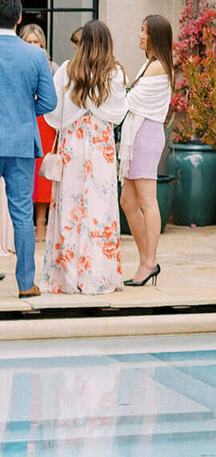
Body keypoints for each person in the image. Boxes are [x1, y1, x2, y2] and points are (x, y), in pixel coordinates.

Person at [41, 19, 128, 295]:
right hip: (100, 146)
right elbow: (118, 112)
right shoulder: (113, 73)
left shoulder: (68, 69)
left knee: (70, 206)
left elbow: (52, 111)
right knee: (99, 208)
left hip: (72, 145)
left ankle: (66, 275)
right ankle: (98, 274)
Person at [0, 0, 57, 298]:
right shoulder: (35, 55)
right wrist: (23, 111)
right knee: (22, 214)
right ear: (19, 18)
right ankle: (25, 285)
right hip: (21, 142)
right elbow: (48, 102)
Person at [119, 14, 174, 287]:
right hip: (137, 134)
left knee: (146, 201)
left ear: (156, 36)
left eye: (144, 31)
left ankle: (149, 262)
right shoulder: (149, 64)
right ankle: (145, 260)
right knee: (128, 202)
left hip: (145, 135)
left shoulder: (158, 67)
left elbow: (129, 99)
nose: (140, 35)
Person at [17, 22, 55, 241]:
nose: (32, 45)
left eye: (36, 42)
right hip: (20, 122)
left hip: (44, 122)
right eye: (28, 42)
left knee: (41, 175)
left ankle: (41, 222)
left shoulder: (52, 67)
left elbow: (54, 98)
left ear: (43, 45)